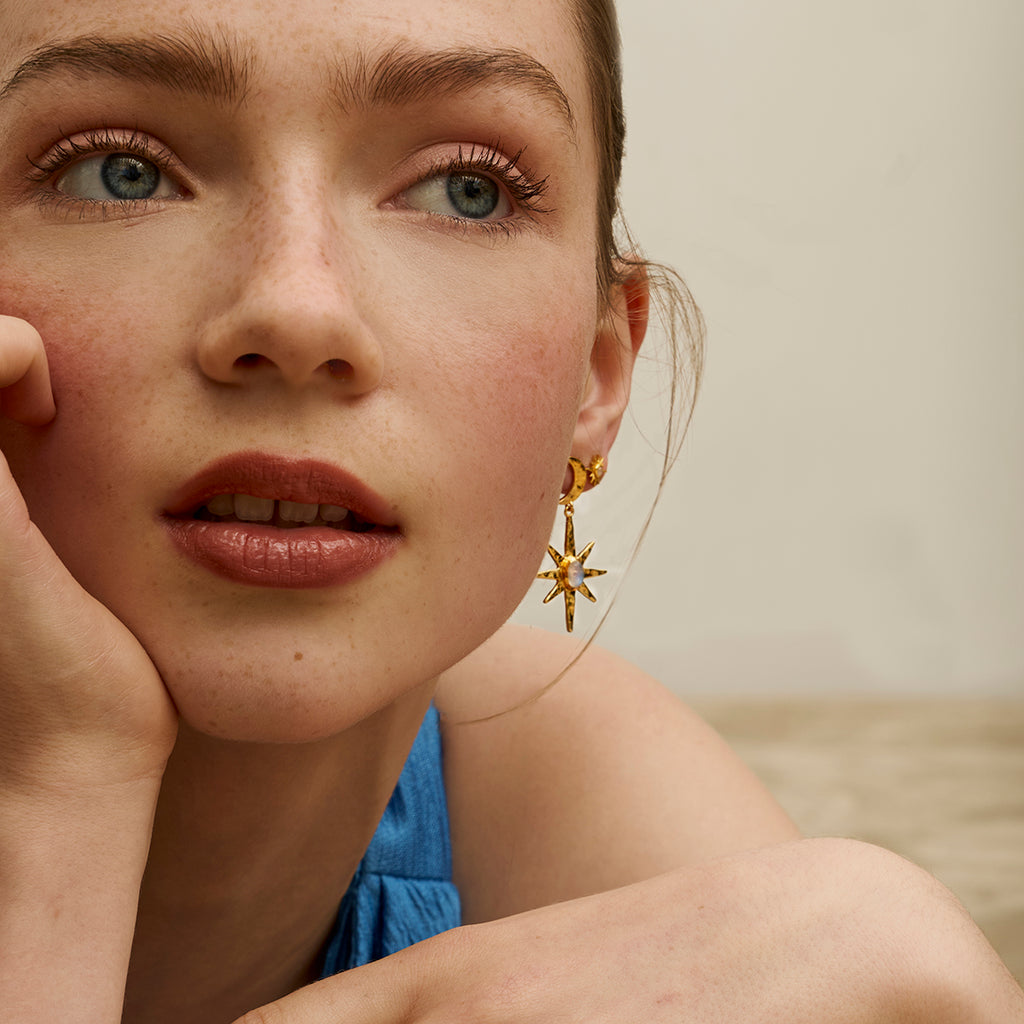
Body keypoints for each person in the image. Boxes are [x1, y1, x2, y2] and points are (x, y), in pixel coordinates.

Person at [0, 1, 1020, 1021]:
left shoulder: (570, 792)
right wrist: (62, 793)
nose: (298, 311)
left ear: (596, 373)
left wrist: (876, 929)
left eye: (466, 189)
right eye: (117, 171)